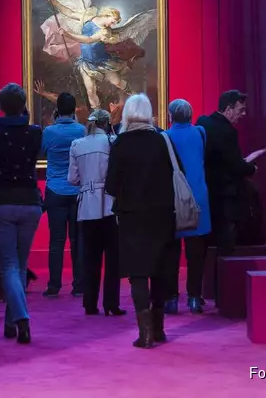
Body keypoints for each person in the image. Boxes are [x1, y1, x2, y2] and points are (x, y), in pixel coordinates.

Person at [106, 94, 177, 349]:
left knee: (138, 274)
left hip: (132, 216)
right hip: (162, 214)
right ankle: (158, 329)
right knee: (159, 271)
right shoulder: (162, 141)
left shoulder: (121, 144)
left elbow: (111, 186)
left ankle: (144, 333)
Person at [0, 83, 43, 344]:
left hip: (2, 204)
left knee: (9, 266)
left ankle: (22, 319)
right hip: (29, 202)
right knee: (19, 263)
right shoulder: (35, 133)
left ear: (1, 108)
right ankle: (10, 323)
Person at [196, 90, 265, 304]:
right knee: (226, 246)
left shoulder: (203, 123)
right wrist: (251, 167)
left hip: (206, 194)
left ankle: (200, 293)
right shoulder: (228, 132)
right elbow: (235, 166)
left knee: (204, 247)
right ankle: (223, 296)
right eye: (240, 109)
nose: (243, 114)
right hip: (227, 198)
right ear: (228, 109)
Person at [67, 109, 126, 317]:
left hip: (87, 205)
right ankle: (112, 303)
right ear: (107, 123)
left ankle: (90, 303)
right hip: (110, 204)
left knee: (90, 257)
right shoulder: (112, 142)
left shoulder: (77, 145)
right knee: (113, 258)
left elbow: (72, 179)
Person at [162, 99, 211, 315]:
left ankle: (171, 298)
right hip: (198, 195)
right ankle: (194, 297)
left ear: (171, 116)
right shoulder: (201, 133)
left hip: (174, 197)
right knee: (196, 252)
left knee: (171, 252)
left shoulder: (164, 137)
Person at [41, 93, 86, 298]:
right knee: (77, 240)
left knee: (56, 241)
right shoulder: (81, 130)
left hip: (56, 190)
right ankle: (78, 285)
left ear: (57, 110)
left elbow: (41, 152)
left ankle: (54, 285)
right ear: (74, 109)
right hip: (77, 191)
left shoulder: (49, 132)